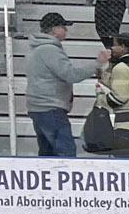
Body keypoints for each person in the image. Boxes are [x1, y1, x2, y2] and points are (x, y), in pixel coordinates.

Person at [26, 12, 106, 157]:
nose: (66, 31)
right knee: (65, 151)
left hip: (39, 106)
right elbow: (70, 75)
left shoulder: (36, 49)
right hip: (50, 107)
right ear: (54, 29)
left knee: (47, 152)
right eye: (63, 27)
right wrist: (97, 64)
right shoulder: (49, 50)